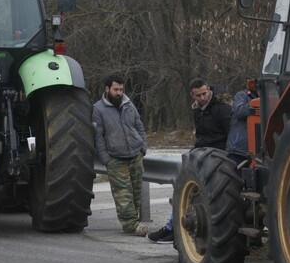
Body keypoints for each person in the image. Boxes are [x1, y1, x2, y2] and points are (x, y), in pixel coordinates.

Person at [147, 77, 232, 244]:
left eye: (204, 93)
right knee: (184, 188)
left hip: (217, 156)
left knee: (189, 188)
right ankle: (172, 227)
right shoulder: (197, 111)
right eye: (198, 95)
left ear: (209, 89)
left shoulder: (222, 109)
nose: (202, 98)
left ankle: (173, 229)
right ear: (192, 95)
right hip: (201, 153)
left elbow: (230, 136)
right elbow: (201, 136)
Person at [93, 74, 149, 237]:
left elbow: (139, 126)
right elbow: (98, 136)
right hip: (115, 158)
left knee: (135, 193)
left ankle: (135, 221)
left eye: (121, 89)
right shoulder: (98, 109)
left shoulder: (128, 104)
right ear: (107, 89)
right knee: (123, 194)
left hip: (135, 155)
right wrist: (106, 159)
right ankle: (131, 225)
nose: (119, 93)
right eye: (116, 89)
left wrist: (142, 148)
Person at [225, 81, 259, 164]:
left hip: (258, 151)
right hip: (238, 150)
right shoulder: (242, 96)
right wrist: (256, 104)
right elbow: (239, 111)